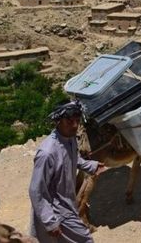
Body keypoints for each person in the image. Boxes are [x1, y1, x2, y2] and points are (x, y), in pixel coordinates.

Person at [29, 100, 106, 243]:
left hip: (67, 205)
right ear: (58, 121)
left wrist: (91, 166)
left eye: (77, 120)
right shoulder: (47, 153)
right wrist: (50, 221)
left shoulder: (70, 139)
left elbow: (72, 158)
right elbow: (36, 190)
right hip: (56, 211)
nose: (75, 125)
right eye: (70, 121)